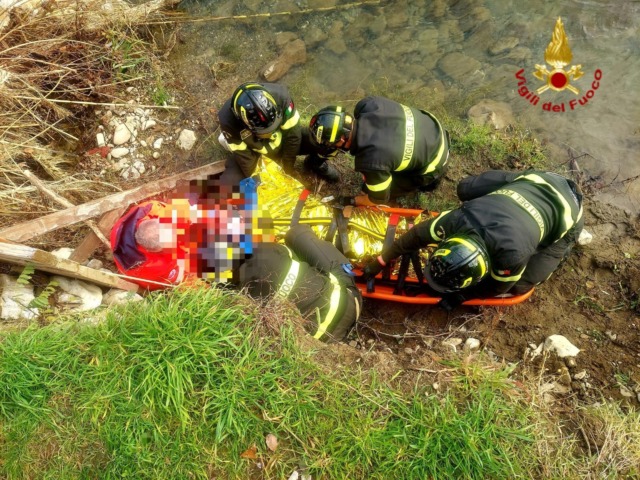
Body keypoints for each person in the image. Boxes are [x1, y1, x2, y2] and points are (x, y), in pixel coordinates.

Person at [362, 170, 584, 310]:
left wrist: (461, 296)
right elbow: (416, 235)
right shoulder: (456, 219)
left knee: (522, 284)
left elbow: (497, 287)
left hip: (569, 210)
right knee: (465, 188)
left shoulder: (512, 257)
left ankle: (564, 246)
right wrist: (382, 260)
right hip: (535, 180)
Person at [307, 96, 450, 206]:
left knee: (381, 188)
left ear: (342, 139)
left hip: (436, 160)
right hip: (433, 127)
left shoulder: (371, 162)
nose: (330, 147)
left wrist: (352, 201)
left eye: (329, 143)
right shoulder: (368, 104)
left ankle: (426, 182)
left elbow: (377, 199)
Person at [232, 224, 362, 342]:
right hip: (348, 304)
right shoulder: (269, 249)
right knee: (297, 233)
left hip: (319, 340)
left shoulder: (233, 296)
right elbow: (298, 256)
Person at [217, 81, 339, 185]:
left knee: (328, 141)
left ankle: (315, 163)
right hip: (258, 154)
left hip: (284, 142)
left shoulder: (282, 97)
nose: (269, 132)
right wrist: (263, 180)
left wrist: (288, 169)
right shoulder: (228, 121)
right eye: (264, 131)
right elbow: (245, 157)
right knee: (228, 183)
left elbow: (293, 137)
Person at [110, 200, 188, 290]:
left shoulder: (148, 209)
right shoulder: (153, 266)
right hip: (144, 276)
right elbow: (173, 279)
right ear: (152, 251)